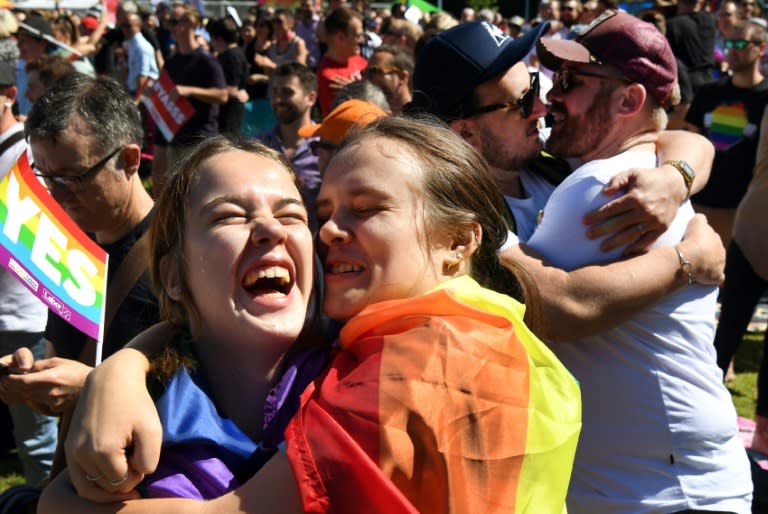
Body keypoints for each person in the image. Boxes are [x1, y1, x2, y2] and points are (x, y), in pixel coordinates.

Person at [41, 116, 583, 513]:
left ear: (459, 243)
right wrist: (126, 366)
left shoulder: (403, 366)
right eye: (230, 215)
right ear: (175, 275)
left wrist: (56, 501)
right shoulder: (147, 411)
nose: (320, 231)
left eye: (291, 214)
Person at [530, 10, 752, 511]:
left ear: (629, 99)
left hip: (659, 492)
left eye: (570, 81)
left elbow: (551, 308)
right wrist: (680, 176)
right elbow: (679, 140)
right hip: (668, 477)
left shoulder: (603, 189)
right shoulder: (644, 170)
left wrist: (489, 236)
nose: (550, 98)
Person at [406, 20, 722, 343]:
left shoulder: (541, 159)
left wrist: (675, 176)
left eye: (534, 85)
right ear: (466, 134)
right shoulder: (454, 209)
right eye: (524, 102)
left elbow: (681, 140)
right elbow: (561, 307)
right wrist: (688, 260)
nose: (543, 106)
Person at [0, 73, 159, 418]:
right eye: (44, 175)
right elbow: (68, 363)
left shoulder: (180, 253)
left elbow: (213, 390)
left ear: (130, 161)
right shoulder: (65, 243)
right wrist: (36, 376)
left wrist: (94, 386)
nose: (56, 195)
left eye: (73, 178)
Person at [0, 61, 57, 485]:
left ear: (8, 95)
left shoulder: (23, 158)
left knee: (38, 439)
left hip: (22, 319)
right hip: (11, 315)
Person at [684, 19, 768, 249]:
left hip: (744, 208)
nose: (732, 50)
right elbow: (693, 141)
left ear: (761, 48)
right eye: (729, 43)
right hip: (700, 203)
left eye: (741, 43)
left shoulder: (765, 99)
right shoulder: (708, 92)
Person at [715, 105, 768, 455]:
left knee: (728, 329)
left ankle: (763, 434)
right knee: (728, 329)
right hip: (755, 229)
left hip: (752, 224)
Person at [150, 3, 227, 197]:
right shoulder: (173, 61)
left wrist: (189, 91)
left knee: (200, 196)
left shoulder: (206, 60)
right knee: (178, 197)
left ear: (192, 23)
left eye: (175, 22)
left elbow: (222, 95)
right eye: (169, 22)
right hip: (176, 138)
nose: (171, 27)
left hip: (200, 139)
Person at [257, 62, 320, 226]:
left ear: (311, 98)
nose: (278, 99)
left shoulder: (326, 147)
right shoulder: (257, 147)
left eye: (287, 92)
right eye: (275, 92)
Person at [316, 7, 367, 116]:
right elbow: (355, 117)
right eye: (358, 35)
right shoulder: (330, 78)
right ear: (340, 37)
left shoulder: (358, 60)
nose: (362, 40)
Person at [363, 44, 413, 114]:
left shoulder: (419, 118)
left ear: (402, 77)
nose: (366, 78)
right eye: (364, 72)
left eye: (375, 71)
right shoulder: (369, 116)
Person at [120, 12, 159, 99]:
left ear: (138, 26)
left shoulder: (142, 47)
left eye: (128, 26)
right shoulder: (131, 43)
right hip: (132, 90)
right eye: (123, 25)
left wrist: (136, 101)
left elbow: (143, 78)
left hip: (139, 95)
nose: (124, 29)